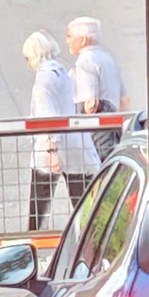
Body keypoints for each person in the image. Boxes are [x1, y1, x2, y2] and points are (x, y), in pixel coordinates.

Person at [24, 30, 98, 230]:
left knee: (38, 208)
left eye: (27, 58)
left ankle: (32, 243)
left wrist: (51, 151)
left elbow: (48, 117)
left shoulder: (42, 82)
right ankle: (91, 238)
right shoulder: (60, 72)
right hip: (74, 145)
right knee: (82, 202)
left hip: (51, 148)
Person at [67, 16, 128, 161]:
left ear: (82, 40)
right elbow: (125, 100)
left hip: (95, 133)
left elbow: (91, 104)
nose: (67, 41)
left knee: (97, 175)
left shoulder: (85, 61)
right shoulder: (108, 59)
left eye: (69, 36)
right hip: (113, 126)